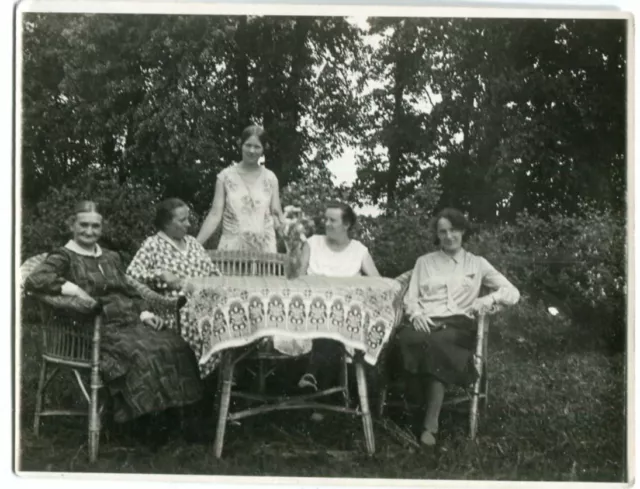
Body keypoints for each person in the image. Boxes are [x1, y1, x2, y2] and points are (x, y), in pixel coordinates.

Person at [24, 201, 213, 444]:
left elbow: (130, 290)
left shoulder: (110, 257)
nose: (90, 231)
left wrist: (145, 313)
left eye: (95, 226)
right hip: (92, 328)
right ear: (71, 225)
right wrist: (72, 289)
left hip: (130, 321)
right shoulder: (64, 256)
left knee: (176, 344)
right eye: (83, 225)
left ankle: (174, 420)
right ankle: (140, 426)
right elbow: (35, 279)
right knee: (141, 353)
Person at [398, 208, 520, 447]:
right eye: (442, 232)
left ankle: (428, 426)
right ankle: (415, 412)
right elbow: (410, 298)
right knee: (407, 341)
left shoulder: (477, 264)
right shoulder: (424, 262)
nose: (448, 236)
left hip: (458, 326)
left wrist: (487, 300)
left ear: (462, 231)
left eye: (453, 230)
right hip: (426, 321)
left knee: (435, 345)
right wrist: (416, 314)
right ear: (437, 235)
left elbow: (512, 292)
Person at [296, 201, 381, 421]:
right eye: (325, 219)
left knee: (335, 325)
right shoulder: (313, 243)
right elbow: (298, 278)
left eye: (332, 220)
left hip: (343, 313)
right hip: (309, 309)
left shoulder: (359, 251)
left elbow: (378, 283)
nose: (326, 223)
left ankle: (315, 381)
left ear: (346, 224)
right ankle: (323, 397)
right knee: (330, 327)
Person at [126, 198, 220, 324]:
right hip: (181, 311)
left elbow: (215, 273)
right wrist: (159, 274)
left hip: (210, 302)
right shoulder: (153, 244)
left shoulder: (192, 242)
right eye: (182, 220)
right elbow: (130, 275)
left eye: (187, 219)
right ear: (166, 223)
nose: (188, 224)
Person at [196, 125, 284, 251]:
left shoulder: (271, 178)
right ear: (241, 145)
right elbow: (215, 214)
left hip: (264, 251)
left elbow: (277, 215)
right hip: (232, 250)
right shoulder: (225, 177)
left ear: (264, 149)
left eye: (257, 147)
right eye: (248, 145)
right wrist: (195, 244)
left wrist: (294, 241)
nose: (252, 151)